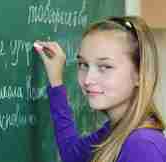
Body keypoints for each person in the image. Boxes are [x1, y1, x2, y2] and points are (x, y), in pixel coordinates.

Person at [33, 16, 166, 162]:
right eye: (83, 64)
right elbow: (73, 155)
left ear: (140, 75)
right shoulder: (116, 130)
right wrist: (56, 81)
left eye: (105, 67)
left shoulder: (143, 146)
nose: (88, 79)